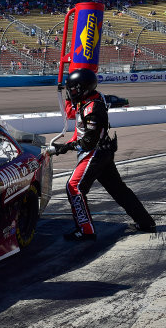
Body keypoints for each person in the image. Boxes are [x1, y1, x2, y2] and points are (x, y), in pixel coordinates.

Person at [53, 68, 156, 241]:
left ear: (83, 88)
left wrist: (64, 148)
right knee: (119, 190)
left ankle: (86, 230)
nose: (70, 92)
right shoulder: (90, 98)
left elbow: (88, 142)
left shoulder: (93, 109)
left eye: (72, 89)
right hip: (103, 152)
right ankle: (146, 222)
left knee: (74, 187)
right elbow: (75, 121)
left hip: (95, 153)